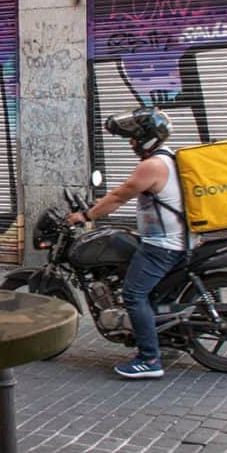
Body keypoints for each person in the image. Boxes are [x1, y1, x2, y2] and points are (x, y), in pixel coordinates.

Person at [65, 106, 187, 379]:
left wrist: (85, 215)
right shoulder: (167, 159)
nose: (131, 143)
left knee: (133, 294)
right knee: (145, 291)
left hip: (162, 246)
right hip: (173, 241)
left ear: (147, 137)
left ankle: (149, 359)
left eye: (134, 137)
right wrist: (99, 205)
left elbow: (120, 196)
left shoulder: (152, 166)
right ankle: (160, 339)